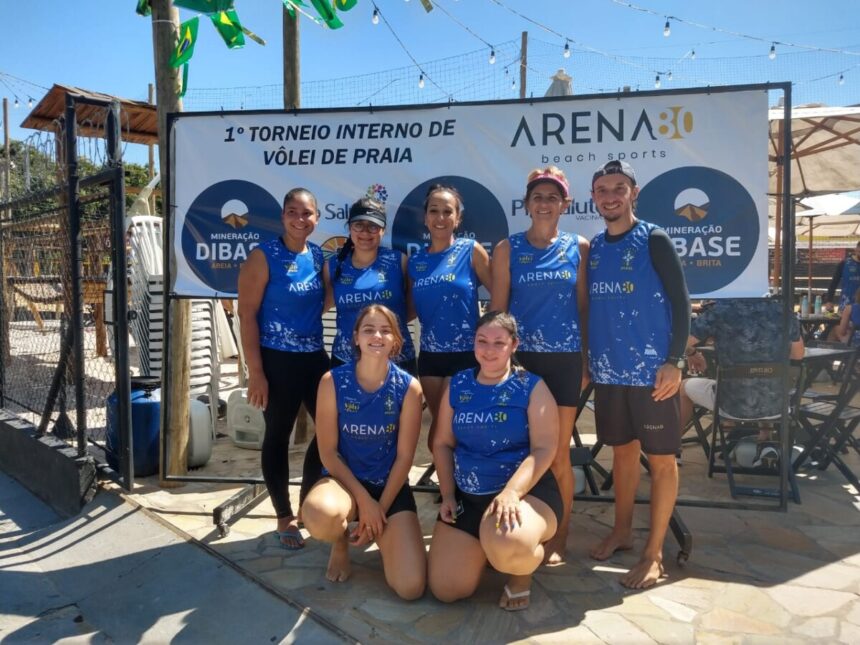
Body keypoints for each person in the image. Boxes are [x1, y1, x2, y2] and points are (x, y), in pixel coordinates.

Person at [586, 160, 691, 589]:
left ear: (634, 192)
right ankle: (623, 530)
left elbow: (681, 303)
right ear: (593, 197)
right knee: (623, 453)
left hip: (653, 374)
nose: (610, 196)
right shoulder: (594, 247)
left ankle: (654, 554)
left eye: (618, 188)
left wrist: (675, 361)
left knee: (663, 462)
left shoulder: (654, 238)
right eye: (602, 189)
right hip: (610, 373)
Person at [428, 311, 562, 612]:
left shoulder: (531, 386)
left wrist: (512, 492)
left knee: (510, 546)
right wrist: (448, 493)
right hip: (468, 498)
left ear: (514, 345)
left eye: (499, 343)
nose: (489, 350)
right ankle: (487, 547)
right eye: (482, 341)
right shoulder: (459, 384)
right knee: (447, 589)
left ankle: (520, 575)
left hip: (523, 496)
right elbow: (442, 443)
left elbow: (544, 449)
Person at [489, 165, 588, 565]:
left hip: (565, 361)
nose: (544, 203)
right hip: (522, 364)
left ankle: (560, 534)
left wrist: (586, 363)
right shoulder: (507, 249)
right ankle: (514, 520)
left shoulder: (579, 247)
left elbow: (584, 310)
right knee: (518, 449)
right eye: (537, 197)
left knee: (558, 454)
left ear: (565, 204)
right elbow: (498, 311)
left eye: (552, 197)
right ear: (526, 204)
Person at [300, 304, 426, 599]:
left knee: (410, 587)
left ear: (396, 340)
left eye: (386, 330)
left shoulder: (410, 388)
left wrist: (378, 509)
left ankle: (380, 533)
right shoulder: (332, 382)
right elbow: (328, 452)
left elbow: (406, 457)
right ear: (355, 337)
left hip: (389, 486)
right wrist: (363, 502)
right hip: (344, 481)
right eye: (369, 329)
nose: (377, 336)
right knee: (319, 514)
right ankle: (341, 541)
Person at [237, 187, 330, 550]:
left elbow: (322, 301)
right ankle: (283, 515)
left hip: (313, 357)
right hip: (275, 360)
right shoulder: (263, 256)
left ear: (316, 219)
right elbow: (247, 315)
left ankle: (308, 501)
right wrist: (256, 371)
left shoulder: (319, 255)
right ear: (282, 217)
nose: (299, 219)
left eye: (307, 213)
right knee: (277, 435)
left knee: (328, 431)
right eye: (292, 211)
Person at [407, 184, 492, 451]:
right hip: (431, 357)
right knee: (441, 430)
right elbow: (408, 309)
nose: (440, 218)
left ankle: (466, 486)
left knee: (460, 426)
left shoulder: (470, 250)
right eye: (434, 211)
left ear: (458, 218)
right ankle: (449, 488)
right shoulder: (416, 261)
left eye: (447, 211)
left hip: (467, 355)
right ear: (425, 217)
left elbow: (499, 295)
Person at [680, 299, 804, 464]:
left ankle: (671, 448)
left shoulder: (721, 310)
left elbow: (680, 341)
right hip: (777, 406)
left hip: (731, 405)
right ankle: (765, 441)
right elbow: (797, 355)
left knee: (682, 387)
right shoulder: (782, 310)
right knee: (764, 383)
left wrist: (692, 352)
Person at [325, 196, 416, 374]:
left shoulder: (399, 261)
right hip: (346, 360)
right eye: (359, 225)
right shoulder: (333, 266)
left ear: (383, 230)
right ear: (349, 227)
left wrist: (383, 332)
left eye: (373, 226)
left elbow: (413, 307)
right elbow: (318, 307)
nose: (365, 233)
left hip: (397, 358)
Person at [825, 241, 860, 310]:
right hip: (845, 304)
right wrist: (829, 300)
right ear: (856, 249)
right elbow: (834, 282)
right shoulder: (844, 263)